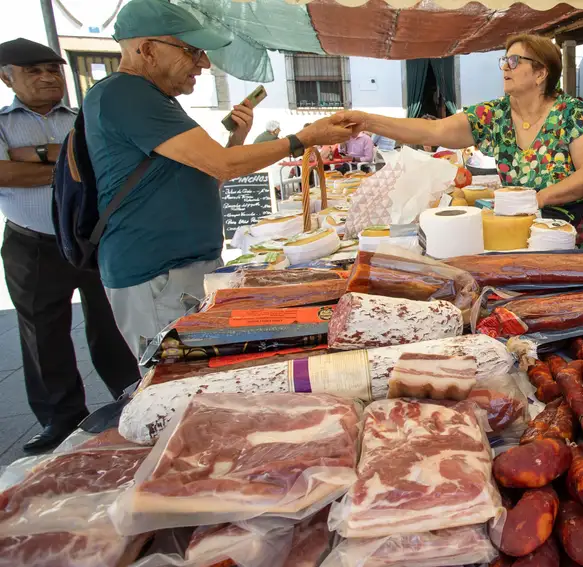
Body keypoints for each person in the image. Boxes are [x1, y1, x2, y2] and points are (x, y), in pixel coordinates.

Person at [86, 0, 352, 357]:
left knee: (202, 366)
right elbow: (222, 165)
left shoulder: (153, 98)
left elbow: (207, 175)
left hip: (178, 270)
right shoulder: (127, 93)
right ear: (147, 50)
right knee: (176, 375)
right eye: (191, 51)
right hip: (157, 274)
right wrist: (302, 139)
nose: (204, 63)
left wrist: (236, 140)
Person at [330, 34, 583, 250]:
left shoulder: (571, 113)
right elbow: (432, 131)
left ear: (540, 73)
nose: (505, 68)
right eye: (504, 61)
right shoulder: (494, 115)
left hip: (568, 234)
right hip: (519, 230)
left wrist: (537, 199)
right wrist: (367, 122)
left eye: (514, 61)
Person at [0, 38, 140, 453]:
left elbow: (102, 165)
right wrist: (65, 162)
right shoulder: (3, 122)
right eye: (33, 71)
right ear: (6, 77)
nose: (47, 77)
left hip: (90, 238)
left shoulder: (82, 117)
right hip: (33, 243)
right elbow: (5, 174)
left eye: (53, 69)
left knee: (109, 325)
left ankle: (129, 400)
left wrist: (32, 157)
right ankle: (60, 421)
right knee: (43, 336)